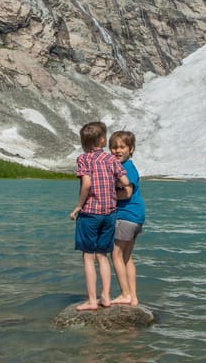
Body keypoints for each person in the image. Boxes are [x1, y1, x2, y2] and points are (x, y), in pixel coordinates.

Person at [69, 121, 129, 311]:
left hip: (90, 213)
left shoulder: (84, 159)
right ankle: (106, 297)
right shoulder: (112, 160)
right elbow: (125, 181)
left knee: (88, 256)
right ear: (103, 140)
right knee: (102, 255)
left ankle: (92, 300)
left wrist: (78, 206)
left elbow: (86, 184)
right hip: (110, 213)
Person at [108, 130, 145, 307]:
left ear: (131, 149)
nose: (117, 150)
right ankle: (133, 297)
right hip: (136, 217)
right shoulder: (127, 166)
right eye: (114, 147)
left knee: (115, 254)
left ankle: (124, 294)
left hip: (126, 216)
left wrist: (108, 194)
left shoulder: (126, 168)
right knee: (127, 258)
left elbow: (127, 193)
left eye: (122, 147)